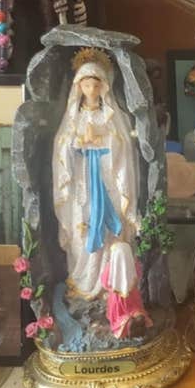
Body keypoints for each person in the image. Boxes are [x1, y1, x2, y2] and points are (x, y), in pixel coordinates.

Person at [51, 49, 148, 339]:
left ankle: (112, 290)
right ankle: (83, 284)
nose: (91, 89)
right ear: (78, 86)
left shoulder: (111, 116)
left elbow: (123, 149)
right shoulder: (72, 117)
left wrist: (103, 143)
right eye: (86, 84)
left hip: (106, 180)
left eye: (96, 84)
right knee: (81, 233)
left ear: (103, 86)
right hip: (82, 183)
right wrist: (78, 143)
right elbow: (62, 150)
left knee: (112, 236)